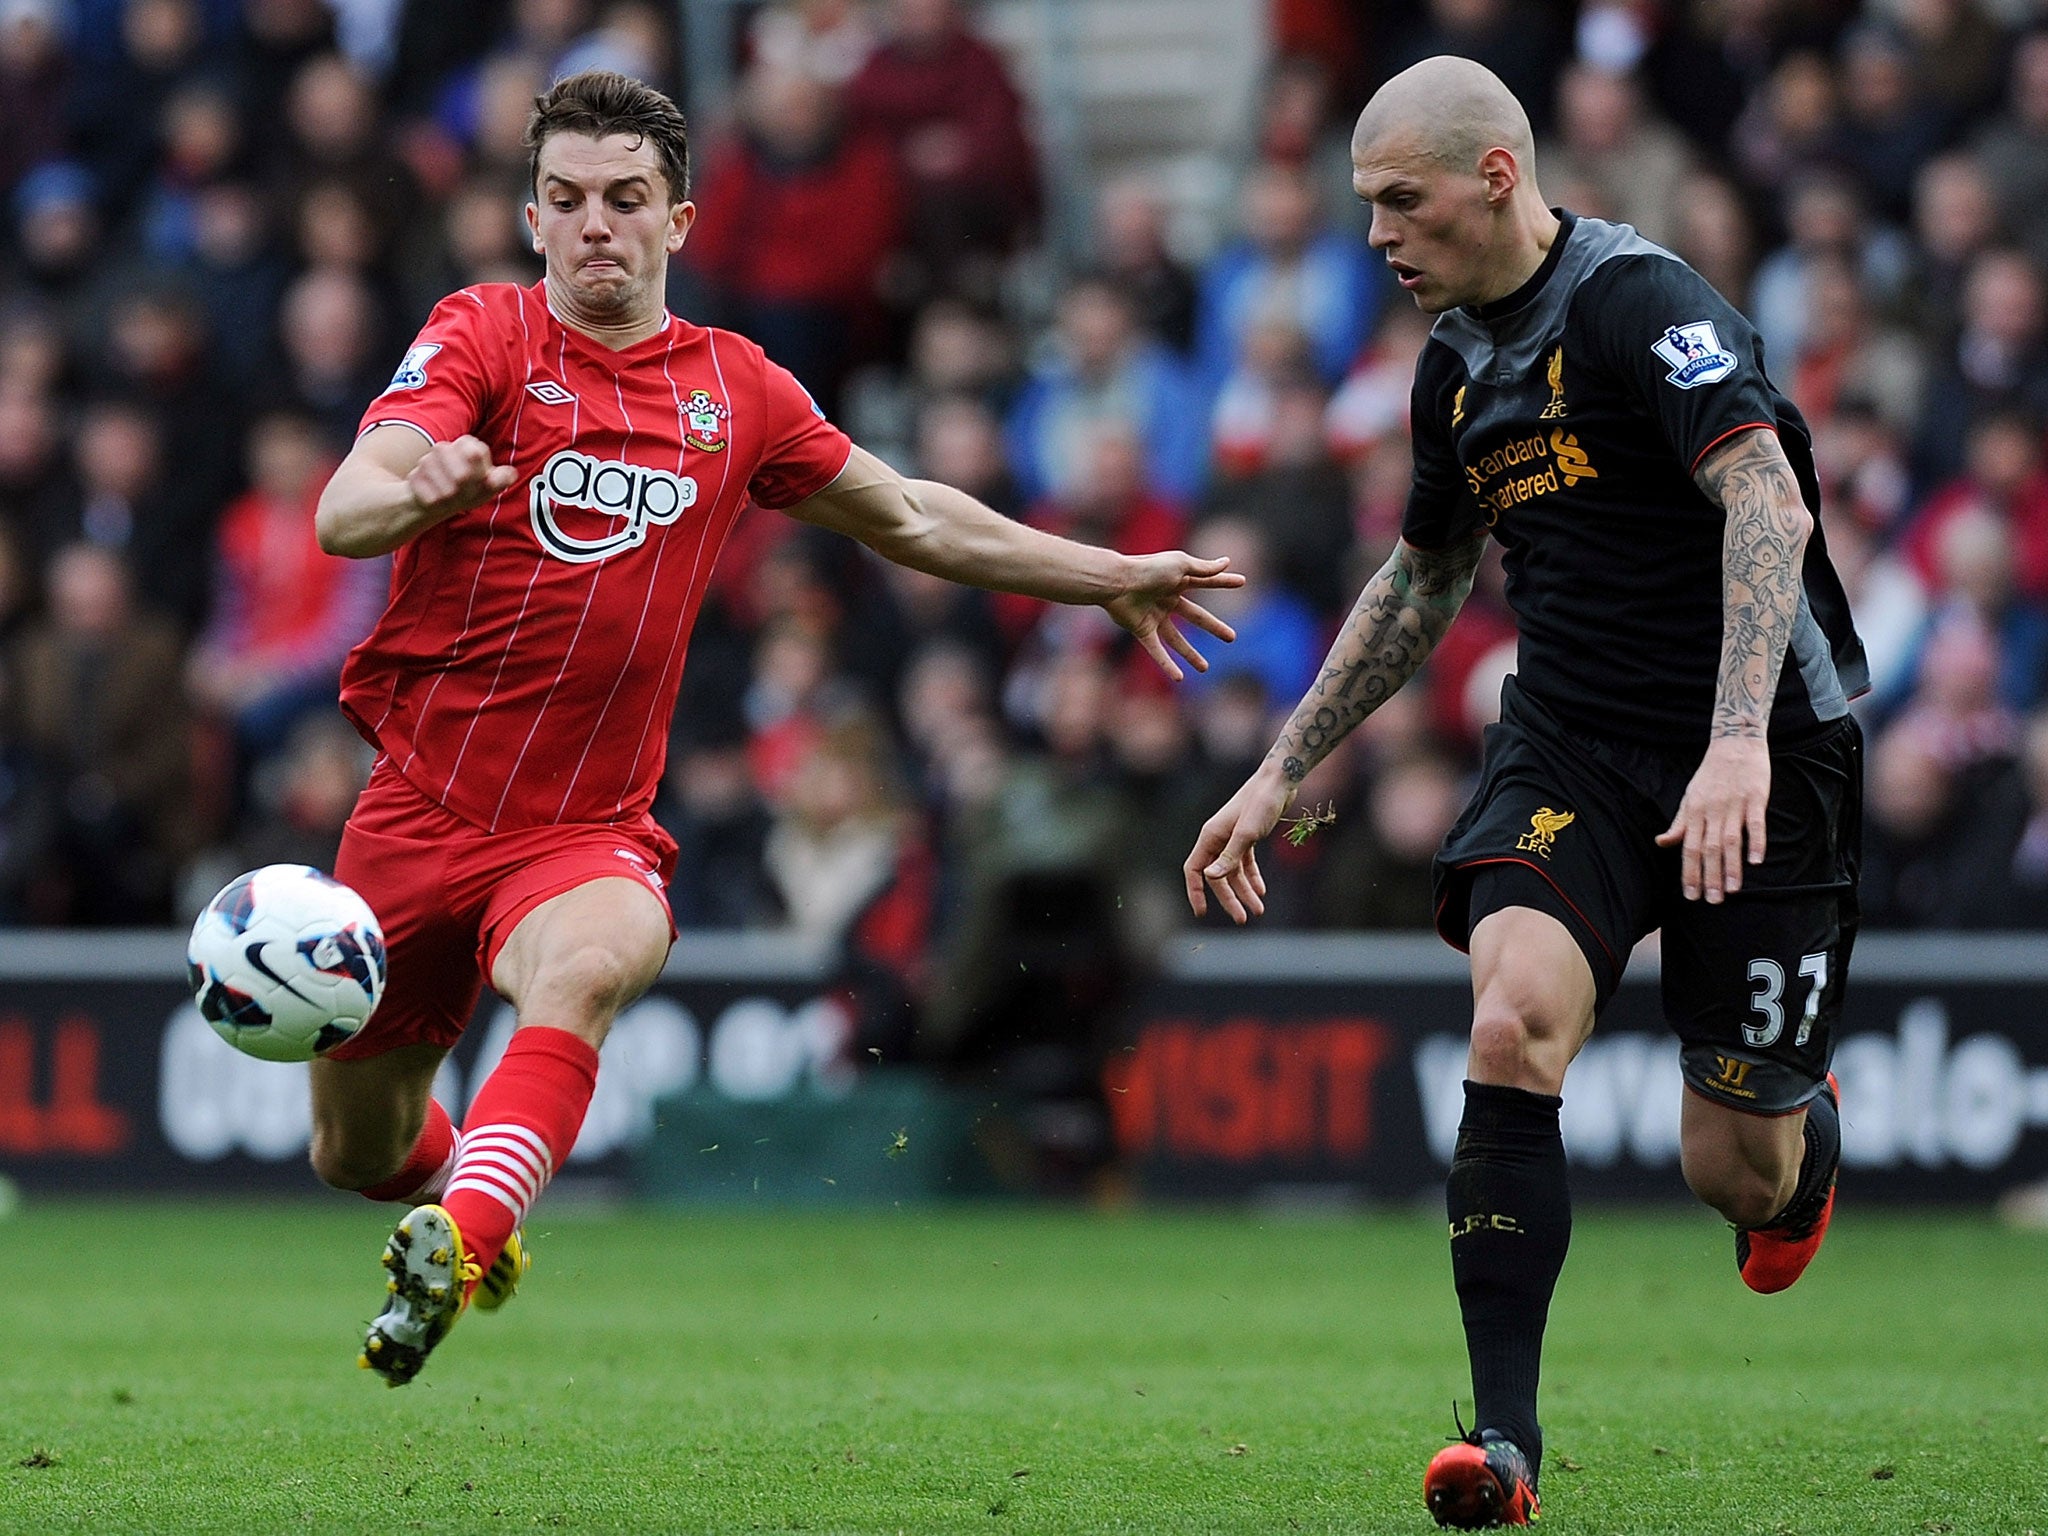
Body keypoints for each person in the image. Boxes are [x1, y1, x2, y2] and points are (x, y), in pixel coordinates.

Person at [310, 69, 1241, 1388]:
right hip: (417, 810)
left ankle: (457, 1246)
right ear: (530, 216)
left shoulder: (733, 391)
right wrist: (418, 495)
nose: (595, 227)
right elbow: (345, 507)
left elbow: (913, 516)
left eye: (626, 200)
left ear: (680, 219)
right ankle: (454, 1188)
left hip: (584, 831)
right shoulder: (482, 336)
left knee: (584, 970)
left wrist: (1114, 573)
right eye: (567, 201)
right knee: (354, 1150)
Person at [1182, 57, 1867, 1529]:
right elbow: (1425, 579)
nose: (1376, 233)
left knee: (1730, 1168)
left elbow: (1768, 498)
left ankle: (1799, 1158)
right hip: (1570, 745)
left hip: (1766, 744)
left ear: (1495, 176)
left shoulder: (1644, 306)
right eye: (1365, 205)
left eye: (1399, 200)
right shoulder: (1451, 367)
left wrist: (1737, 736)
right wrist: (1281, 769)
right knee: (1510, 1018)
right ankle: (1505, 1446)